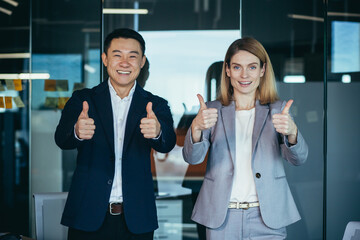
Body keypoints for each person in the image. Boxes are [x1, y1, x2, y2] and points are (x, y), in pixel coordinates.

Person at [55, 28, 176, 240]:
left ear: (142, 61)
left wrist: (157, 132)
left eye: (133, 56)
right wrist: (76, 131)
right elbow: (61, 139)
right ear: (105, 59)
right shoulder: (83, 99)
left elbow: (167, 143)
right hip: (87, 215)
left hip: (137, 219)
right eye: (117, 55)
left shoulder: (155, 104)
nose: (125, 62)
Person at [182, 37, 308, 239]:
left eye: (251, 67)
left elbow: (298, 159)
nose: (244, 75)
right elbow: (192, 157)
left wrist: (292, 133)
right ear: (228, 70)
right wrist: (196, 128)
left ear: (262, 70)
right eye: (237, 67)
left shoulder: (277, 110)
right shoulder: (212, 110)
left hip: (267, 218)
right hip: (222, 218)